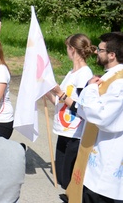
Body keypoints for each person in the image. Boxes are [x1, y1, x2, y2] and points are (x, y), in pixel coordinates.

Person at [68, 32, 123, 202]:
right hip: (94, 155)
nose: (96, 52)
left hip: (107, 160)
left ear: (112, 55)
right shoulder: (109, 76)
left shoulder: (119, 83)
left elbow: (101, 117)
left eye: (100, 49)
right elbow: (84, 110)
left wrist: (90, 89)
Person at [43, 34, 94, 190]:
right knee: (60, 176)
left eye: (67, 47)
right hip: (64, 131)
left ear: (72, 49)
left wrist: (60, 93)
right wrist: (46, 92)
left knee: (68, 181)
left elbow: (81, 107)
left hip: (75, 134)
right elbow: (61, 103)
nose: (66, 50)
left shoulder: (85, 74)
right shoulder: (71, 73)